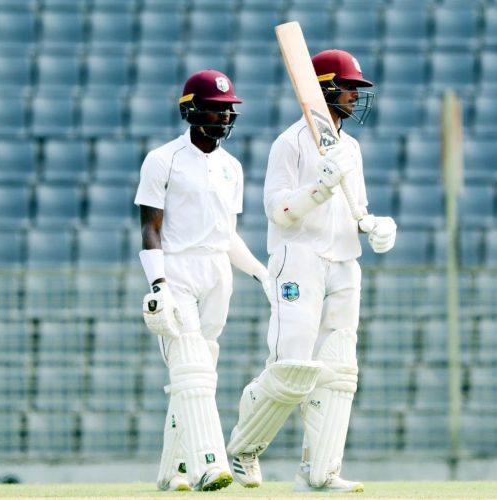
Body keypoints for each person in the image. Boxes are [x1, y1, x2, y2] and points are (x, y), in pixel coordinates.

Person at [226, 49, 397, 492]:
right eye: (349, 88)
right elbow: (278, 211)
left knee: (338, 371)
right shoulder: (290, 143)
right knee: (293, 368)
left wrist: (374, 226)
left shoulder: (351, 148)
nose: (356, 97)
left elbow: (355, 208)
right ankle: (243, 450)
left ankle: (321, 473)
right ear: (322, 90)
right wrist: (318, 187)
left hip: (344, 262)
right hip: (298, 259)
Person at [134, 69, 270, 492]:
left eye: (229, 110)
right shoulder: (163, 159)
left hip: (217, 273)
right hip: (178, 268)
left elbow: (226, 234)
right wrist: (158, 284)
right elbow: (150, 228)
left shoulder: (232, 167)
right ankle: (208, 465)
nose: (225, 117)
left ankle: (171, 470)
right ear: (191, 111)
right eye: (215, 109)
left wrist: (261, 272)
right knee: (192, 367)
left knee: (198, 371)